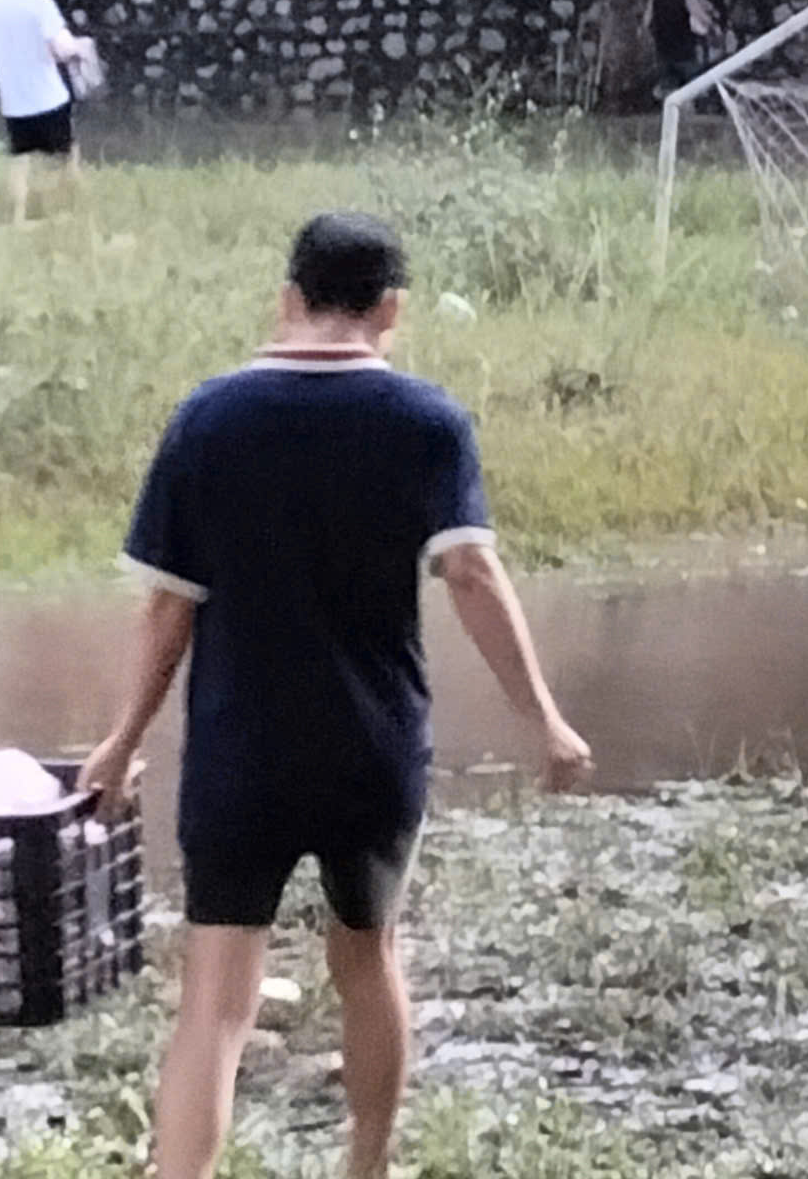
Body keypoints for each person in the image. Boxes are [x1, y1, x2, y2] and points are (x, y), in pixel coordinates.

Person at [80, 213, 592, 1179]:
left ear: (288, 299)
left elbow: (167, 611)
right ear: (391, 309)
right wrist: (546, 722)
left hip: (239, 753)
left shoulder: (209, 419)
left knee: (215, 1001)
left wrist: (120, 740)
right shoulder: (426, 423)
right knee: (369, 959)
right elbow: (472, 576)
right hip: (373, 751)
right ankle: (367, 1166)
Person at [0, 0, 98, 224]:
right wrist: (83, 47)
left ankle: (18, 219)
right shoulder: (41, 4)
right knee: (67, 158)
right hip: (48, 98)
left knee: (19, 161)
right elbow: (63, 49)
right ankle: (76, 214)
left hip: (14, 101)